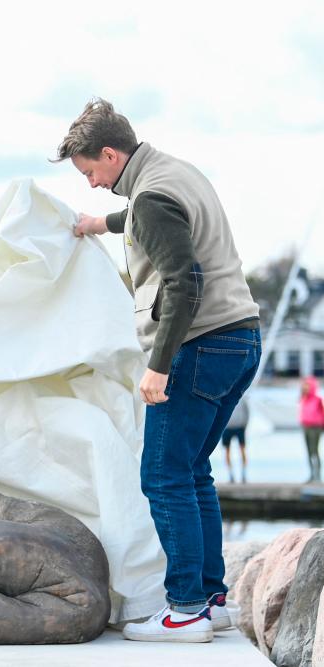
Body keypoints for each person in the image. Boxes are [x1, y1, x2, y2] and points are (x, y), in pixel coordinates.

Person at [55, 99, 260, 643]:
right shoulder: (175, 172)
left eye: (91, 172)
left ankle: (186, 610)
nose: (93, 184)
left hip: (197, 347)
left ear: (109, 153)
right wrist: (100, 224)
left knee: (163, 477)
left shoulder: (151, 197)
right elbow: (150, 219)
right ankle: (213, 600)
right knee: (193, 473)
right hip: (240, 339)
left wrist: (159, 367)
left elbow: (182, 281)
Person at [299, 376, 324, 483]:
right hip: (306, 427)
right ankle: (311, 475)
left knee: (314, 451)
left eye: (307, 385)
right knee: (308, 451)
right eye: (304, 385)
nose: (305, 387)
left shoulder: (318, 399)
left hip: (316, 427)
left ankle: (317, 476)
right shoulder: (303, 398)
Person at [220, 398, 249, 484]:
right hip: (227, 428)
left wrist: (244, 426)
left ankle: (243, 474)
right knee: (227, 451)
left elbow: (247, 413)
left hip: (240, 427)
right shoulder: (224, 397)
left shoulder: (242, 399)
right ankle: (231, 475)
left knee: (242, 450)